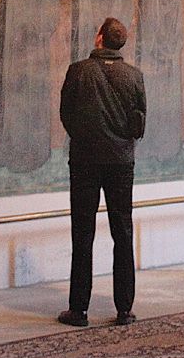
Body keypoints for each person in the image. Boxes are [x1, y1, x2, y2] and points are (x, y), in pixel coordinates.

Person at [57, 17, 147, 327]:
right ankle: (124, 309)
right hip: (121, 162)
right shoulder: (133, 76)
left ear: (99, 39)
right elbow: (138, 124)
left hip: (84, 161)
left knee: (82, 233)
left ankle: (79, 309)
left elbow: (66, 114)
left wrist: (86, 137)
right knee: (123, 232)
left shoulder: (78, 71)